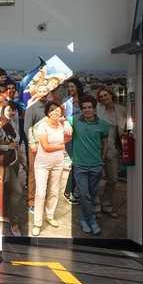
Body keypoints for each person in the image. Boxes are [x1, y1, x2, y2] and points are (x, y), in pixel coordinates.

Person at [71, 95, 110, 235]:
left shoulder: (103, 125)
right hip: (80, 165)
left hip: (96, 166)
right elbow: (58, 119)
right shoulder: (74, 120)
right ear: (81, 109)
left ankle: (84, 218)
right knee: (84, 195)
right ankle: (91, 220)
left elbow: (105, 145)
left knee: (92, 195)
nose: (87, 110)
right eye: (84, 108)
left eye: (89, 107)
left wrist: (102, 161)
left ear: (94, 109)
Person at [32, 101, 72, 236]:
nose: (55, 112)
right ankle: (37, 223)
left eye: (58, 110)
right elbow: (46, 147)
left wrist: (66, 123)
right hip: (42, 164)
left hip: (58, 163)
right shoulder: (42, 126)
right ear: (47, 112)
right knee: (40, 192)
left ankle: (49, 216)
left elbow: (68, 137)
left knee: (54, 191)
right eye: (52, 110)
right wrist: (61, 146)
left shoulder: (62, 125)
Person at [96, 86, 127, 216]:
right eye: (101, 96)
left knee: (113, 179)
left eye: (106, 95)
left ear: (111, 95)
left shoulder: (121, 110)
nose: (104, 98)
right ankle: (96, 206)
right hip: (97, 147)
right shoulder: (98, 108)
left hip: (113, 148)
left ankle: (106, 204)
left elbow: (126, 128)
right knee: (96, 179)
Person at [24, 81, 52, 213]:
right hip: (35, 145)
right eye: (40, 91)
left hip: (49, 145)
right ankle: (31, 202)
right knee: (33, 174)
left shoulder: (51, 107)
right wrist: (31, 143)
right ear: (36, 93)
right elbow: (27, 128)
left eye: (45, 91)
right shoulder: (32, 108)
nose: (43, 94)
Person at [0, 101, 24, 236]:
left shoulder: (14, 123)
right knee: (17, 191)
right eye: (9, 110)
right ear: (3, 110)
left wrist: (22, 161)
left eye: (13, 110)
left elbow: (17, 143)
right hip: (3, 164)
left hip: (14, 161)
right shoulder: (0, 125)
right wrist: (7, 147)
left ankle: (6, 215)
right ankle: (13, 223)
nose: (11, 112)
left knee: (8, 191)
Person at [63, 77, 85, 205]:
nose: (70, 89)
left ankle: (74, 190)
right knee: (76, 163)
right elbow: (61, 117)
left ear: (78, 87)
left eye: (72, 86)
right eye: (69, 87)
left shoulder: (84, 100)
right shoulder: (66, 102)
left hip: (83, 136)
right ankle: (69, 191)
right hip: (70, 137)